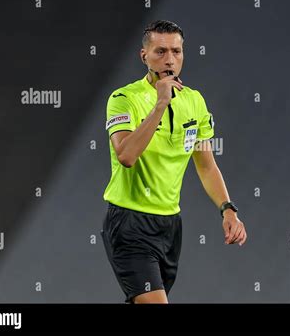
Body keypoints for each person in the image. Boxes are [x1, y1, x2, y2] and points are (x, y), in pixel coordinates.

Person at [101, 20, 247, 304]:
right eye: (160, 51)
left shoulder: (195, 102)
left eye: (177, 52)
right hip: (130, 223)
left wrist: (227, 210)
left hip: (170, 226)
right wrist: (160, 105)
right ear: (144, 56)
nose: (170, 59)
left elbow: (206, 165)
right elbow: (126, 156)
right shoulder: (123, 99)